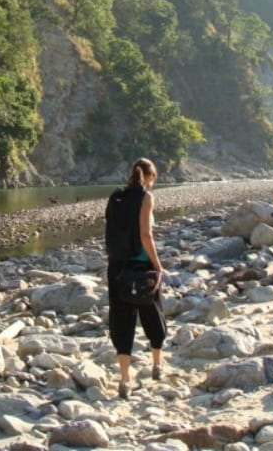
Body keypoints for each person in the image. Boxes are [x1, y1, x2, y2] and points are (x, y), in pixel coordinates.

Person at [107, 158, 166, 399]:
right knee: (153, 315)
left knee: (122, 321)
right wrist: (158, 265)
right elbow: (145, 234)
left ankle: (125, 380)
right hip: (141, 268)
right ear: (150, 176)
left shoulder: (116, 197)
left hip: (118, 268)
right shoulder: (146, 198)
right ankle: (157, 365)